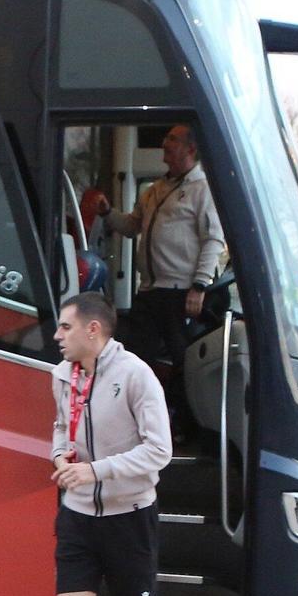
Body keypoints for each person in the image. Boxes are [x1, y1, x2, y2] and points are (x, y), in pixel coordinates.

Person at [23, 291, 173, 596]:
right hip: (78, 515)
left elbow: (159, 450)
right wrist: (60, 455)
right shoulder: (62, 375)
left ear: (94, 330)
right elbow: (60, 426)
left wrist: (95, 470)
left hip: (130, 515)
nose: (57, 336)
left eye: (65, 327)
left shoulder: (136, 376)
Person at [101, 124, 224, 426]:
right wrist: (107, 213)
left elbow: (213, 239)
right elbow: (132, 226)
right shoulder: (156, 189)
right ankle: (133, 418)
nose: (164, 144)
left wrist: (199, 286)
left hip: (179, 291)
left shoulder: (202, 189)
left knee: (184, 360)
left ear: (190, 149)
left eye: (172, 139)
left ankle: (183, 424)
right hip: (150, 290)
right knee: (135, 356)